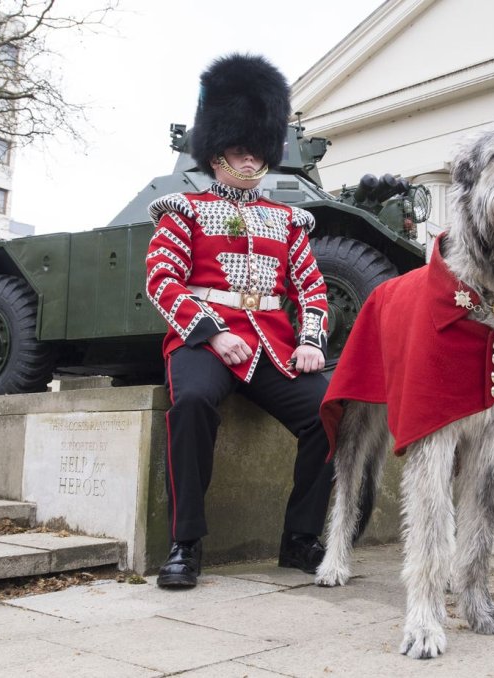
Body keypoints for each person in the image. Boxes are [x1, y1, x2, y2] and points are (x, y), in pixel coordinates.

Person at [145, 53, 333, 589]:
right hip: (203, 342)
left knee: (329, 413)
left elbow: (311, 287)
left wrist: (312, 339)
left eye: (256, 153)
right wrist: (212, 332)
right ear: (216, 152)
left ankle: (298, 539)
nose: (249, 163)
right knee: (194, 403)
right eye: (237, 152)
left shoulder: (288, 220)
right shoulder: (182, 209)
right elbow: (162, 282)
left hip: (272, 346)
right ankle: (185, 544)